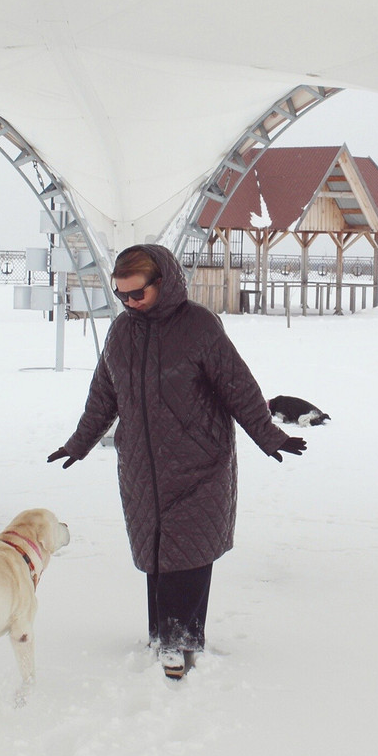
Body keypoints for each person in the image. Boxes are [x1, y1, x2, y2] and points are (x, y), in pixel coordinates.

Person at [48, 243, 305, 680]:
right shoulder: (122, 333)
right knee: (157, 553)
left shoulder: (199, 326)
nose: (129, 303)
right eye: (121, 295)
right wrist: (79, 442)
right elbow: (104, 396)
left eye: (137, 294)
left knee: (188, 553)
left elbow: (237, 387)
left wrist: (268, 434)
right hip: (142, 467)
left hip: (199, 463)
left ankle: (179, 642)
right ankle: (161, 635)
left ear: (161, 283)